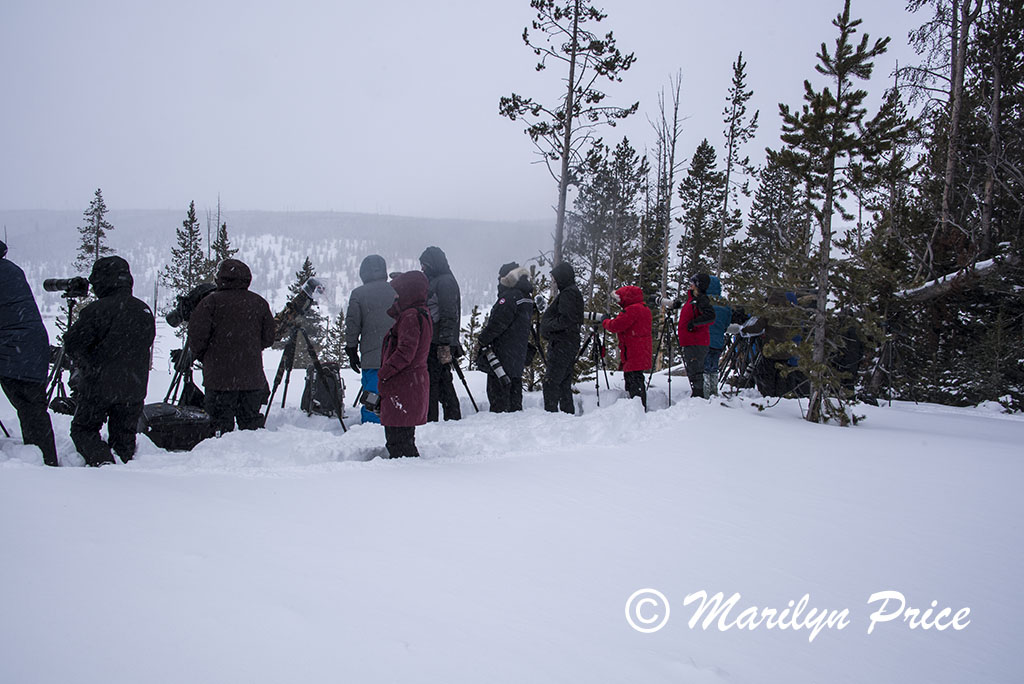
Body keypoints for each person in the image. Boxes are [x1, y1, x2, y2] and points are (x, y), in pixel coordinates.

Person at [64, 256, 155, 466]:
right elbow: (146, 342)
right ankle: (122, 469)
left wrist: (87, 358)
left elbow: (74, 344)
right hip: (134, 385)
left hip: (99, 383)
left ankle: (103, 463)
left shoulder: (96, 310)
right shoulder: (143, 310)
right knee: (124, 436)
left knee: (83, 429)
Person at [188, 259, 275, 434]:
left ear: (221, 278)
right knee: (251, 429)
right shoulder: (258, 303)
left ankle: (219, 460)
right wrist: (248, 349)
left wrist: (208, 357)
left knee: (218, 429)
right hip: (251, 378)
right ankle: (257, 460)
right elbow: (268, 338)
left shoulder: (210, 303)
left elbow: (197, 339)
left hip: (219, 380)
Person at [0, 241, 59, 466]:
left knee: (29, 407)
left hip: (12, 349)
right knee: (33, 408)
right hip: (30, 346)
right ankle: (45, 459)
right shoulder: (11, 269)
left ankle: (41, 464)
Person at [378, 271, 433, 458]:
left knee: (398, 442)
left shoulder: (410, 316)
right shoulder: (421, 312)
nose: (395, 296)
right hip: (411, 384)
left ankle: (405, 479)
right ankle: (409, 476)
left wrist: (384, 372)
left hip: (403, 385)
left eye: (398, 292)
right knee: (404, 438)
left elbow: (405, 352)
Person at [345, 254, 396, 424]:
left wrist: (351, 348)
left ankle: (370, 425)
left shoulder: (359, 294)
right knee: (395, 392)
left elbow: (353, 324)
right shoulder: (396, 290)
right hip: (396, 354)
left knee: (372, 395)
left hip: (372, 355)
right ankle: (395, 422)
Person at [476, 262, 534, 413]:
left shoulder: (509, 297)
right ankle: (515, 428)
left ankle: (499, 431)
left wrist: (482, 340)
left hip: (502, 357)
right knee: (514, 397)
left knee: (499, 401)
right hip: (517, 355)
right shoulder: (525, 297)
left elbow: (497, 324)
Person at [419, 246, 462, 422]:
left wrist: (444, 342)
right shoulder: (440, 279)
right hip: (437, 340)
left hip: (437, 341)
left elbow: (449, 314)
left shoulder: (444, 282)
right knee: (443, 380)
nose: (423, 268)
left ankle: (432, 419)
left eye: (425, 265)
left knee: (434, 382)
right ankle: (451, 417)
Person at [540, 261, 584, 413]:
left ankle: (552, 416)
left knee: (551, 383)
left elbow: (566, 319)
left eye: (557, 278)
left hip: (562, 344)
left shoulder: (568, 294)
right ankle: (566, 416)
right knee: (563, 383)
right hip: (566, 343)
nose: (556, 281)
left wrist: (548, 325)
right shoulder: (571, 292)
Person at [601, 285, 653, 409]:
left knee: (633, 381)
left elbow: (615, 325)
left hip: (633, 351)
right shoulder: (644, 308)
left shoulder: (632, 310)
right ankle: (638, 406)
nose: (618, 302)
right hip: (641, 350)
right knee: (637, 378)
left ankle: (637, 408)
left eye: (619, 299)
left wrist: (605, 321)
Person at [676, 273, 716, 398]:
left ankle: (699, 397)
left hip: (696, 341)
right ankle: (698, 395)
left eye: (693, 283)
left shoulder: (701, 299)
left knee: (696, 371)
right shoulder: (693, 299)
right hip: (691, 340)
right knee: (693, 370)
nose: (690, 285)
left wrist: (694, 324)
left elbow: (711, 316)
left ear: (698, 285)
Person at [704, 275, 733, 397]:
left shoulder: (704, 302)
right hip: (718, 340)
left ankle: (705, 391)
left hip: (705, 339)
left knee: (705, 367)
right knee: (714, 366)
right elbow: (727, 323)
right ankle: (713, 390)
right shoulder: (724, 304)